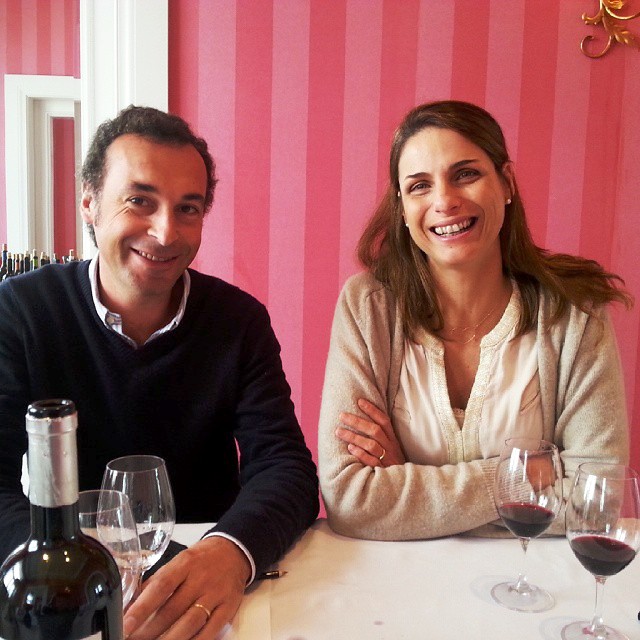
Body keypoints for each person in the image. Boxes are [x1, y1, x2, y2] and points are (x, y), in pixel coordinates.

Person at [0, 105, 319, 639]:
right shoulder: (21, 311)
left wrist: (231, 552)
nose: (166, 231)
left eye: (187, 208)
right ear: (89, 201)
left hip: (207, 582)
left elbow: (285, 468)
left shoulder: (238, 321)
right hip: (70, 593)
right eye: (139, 201)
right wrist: (76, 566)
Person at [318, 100, 631, 541]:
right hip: (403, 575)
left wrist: (406, 483)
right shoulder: (367, 306)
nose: (445, 201)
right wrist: (527, 475)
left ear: (506, 183)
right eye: (420, 186)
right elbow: (351, 500)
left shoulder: (574, 311)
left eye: (465, 174)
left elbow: (595, 501)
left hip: (533, 575)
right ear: (402, 209)